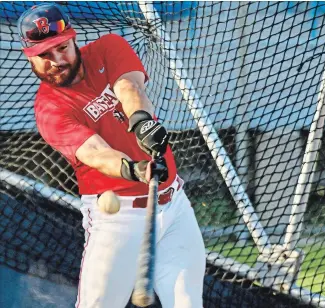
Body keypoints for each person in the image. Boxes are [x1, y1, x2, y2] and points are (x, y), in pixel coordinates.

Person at [17, 3, 206, 308]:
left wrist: (143, 124)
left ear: (73, 39)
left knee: (187, 303)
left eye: (61, 48)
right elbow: (95, 153)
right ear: (31, 59)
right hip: (118, 218)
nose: (56, 61)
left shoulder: (108, 47)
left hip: (174, 207)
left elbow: (129, 87)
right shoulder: (49, 108)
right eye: (44, 56)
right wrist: (134, 170)